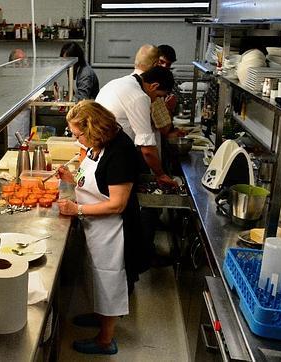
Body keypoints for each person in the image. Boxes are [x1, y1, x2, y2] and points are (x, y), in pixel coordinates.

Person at [56, 100, 145, 355]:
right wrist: (71, 179)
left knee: (108, 280)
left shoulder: (121, 152)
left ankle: (106, 340)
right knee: (94, 274)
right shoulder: (98, 145)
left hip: (113, 231)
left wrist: (78, 209)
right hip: (96, 227)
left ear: (94, 128)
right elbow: (95, 182)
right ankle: (100, 315)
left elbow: (117, 204)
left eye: (78, 134)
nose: (77, 139)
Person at [96, 66, 177, 187]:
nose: (156, 100)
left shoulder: (118, 82)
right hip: (114, 158)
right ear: (154, 86)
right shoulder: (139, 97)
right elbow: (147, 149)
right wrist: (161, 175)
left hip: (99, 153)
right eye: (159, 96)